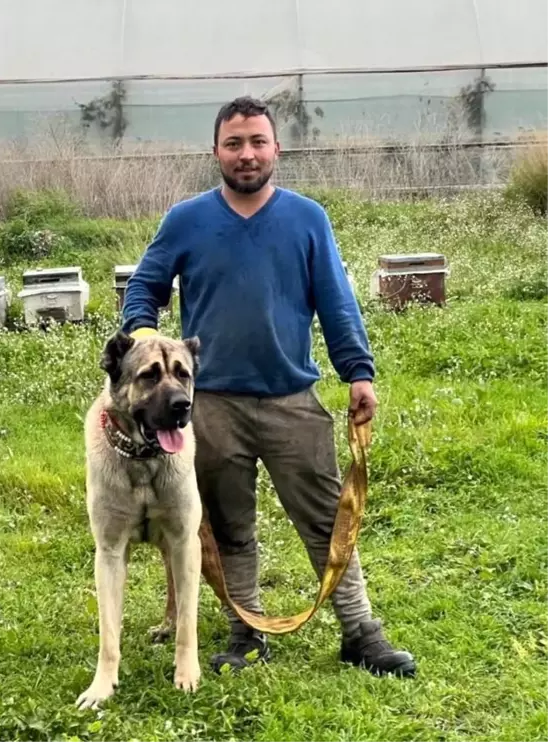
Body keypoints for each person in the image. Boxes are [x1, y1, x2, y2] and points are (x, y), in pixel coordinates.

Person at [120, 96, 416, 678]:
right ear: (216, 153)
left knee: (327, 518)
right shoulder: (186, 220)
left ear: (277, 149)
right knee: (229, 524)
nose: (247, 153)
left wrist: (358, 371)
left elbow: (336, 301)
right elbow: (144, 286)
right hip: (209, 407)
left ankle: (361, 632)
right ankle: (245, 633)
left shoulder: (307, 218)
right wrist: (146, 336)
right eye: (234, 144)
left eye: (258, 141)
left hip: (291, 399)